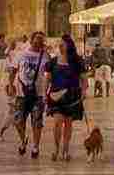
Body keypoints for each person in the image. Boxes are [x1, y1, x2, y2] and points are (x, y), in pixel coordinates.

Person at [45, 34, 87, 162]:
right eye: (60, 44)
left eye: (62, 44)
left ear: (69, 45)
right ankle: (56, 149)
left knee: (68, 123)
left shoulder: (77, 61)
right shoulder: (53, 61)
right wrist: (44, 92)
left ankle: (66, 149)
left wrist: (84, 91)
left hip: (72, 96)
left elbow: (84, 79)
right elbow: (48, 79)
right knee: (57, 122)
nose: (60, 46)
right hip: (56, 96)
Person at [12, 31, 49, 159]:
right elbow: (13, 69)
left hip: (38, 94)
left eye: (42, 40)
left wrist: (48, 90)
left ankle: (35, 146)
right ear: (32, 39)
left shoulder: (46, 56)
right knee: (17, 120)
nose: (39, 41)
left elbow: (50, 73)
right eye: (37, 39)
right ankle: (23, 140)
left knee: (37, 122)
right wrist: (10, 84)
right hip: (21, 93)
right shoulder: (21, 54)